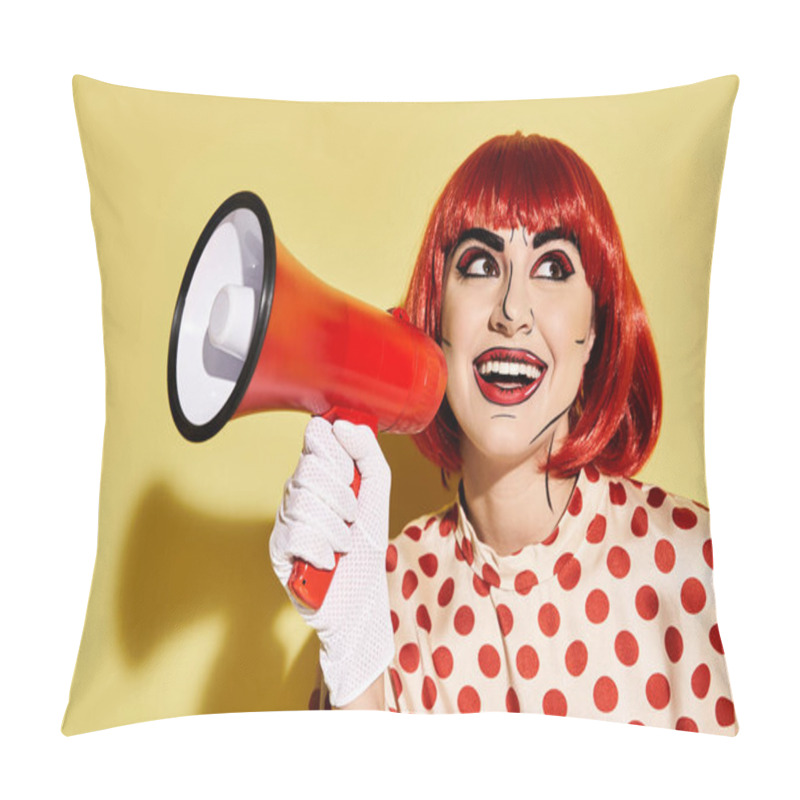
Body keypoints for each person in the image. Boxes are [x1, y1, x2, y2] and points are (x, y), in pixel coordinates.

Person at [269, 133, 737, 734]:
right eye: (480, 265)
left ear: (595, 329)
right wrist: (356, 661)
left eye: (553, 267)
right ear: (436, 318)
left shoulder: (703, 565)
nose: (512, 310)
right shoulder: (380, 593)